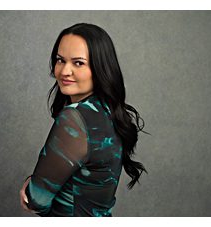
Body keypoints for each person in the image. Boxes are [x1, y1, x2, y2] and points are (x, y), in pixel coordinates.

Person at [20, 23, 146, 217]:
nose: (64, 71)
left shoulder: (75, 119)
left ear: (100, 68)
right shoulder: (108, 112)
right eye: (60, 60)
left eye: (78, 63)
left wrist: (31, 184)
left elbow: (36, 199)